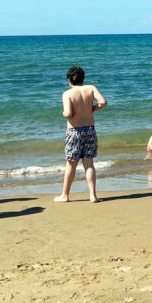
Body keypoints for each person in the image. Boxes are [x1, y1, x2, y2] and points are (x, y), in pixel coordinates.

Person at [55, 66, 106, 203]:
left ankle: (65, 195)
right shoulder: (91, 88)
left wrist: (64, 114)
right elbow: (103, 102)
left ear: (69, 80)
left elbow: (68, 113)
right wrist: (92, 109)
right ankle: (93, 195)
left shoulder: (67, 93)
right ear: (83, 79)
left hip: (74, 132)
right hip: (90, 129)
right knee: (89, 163)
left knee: (71, 164)